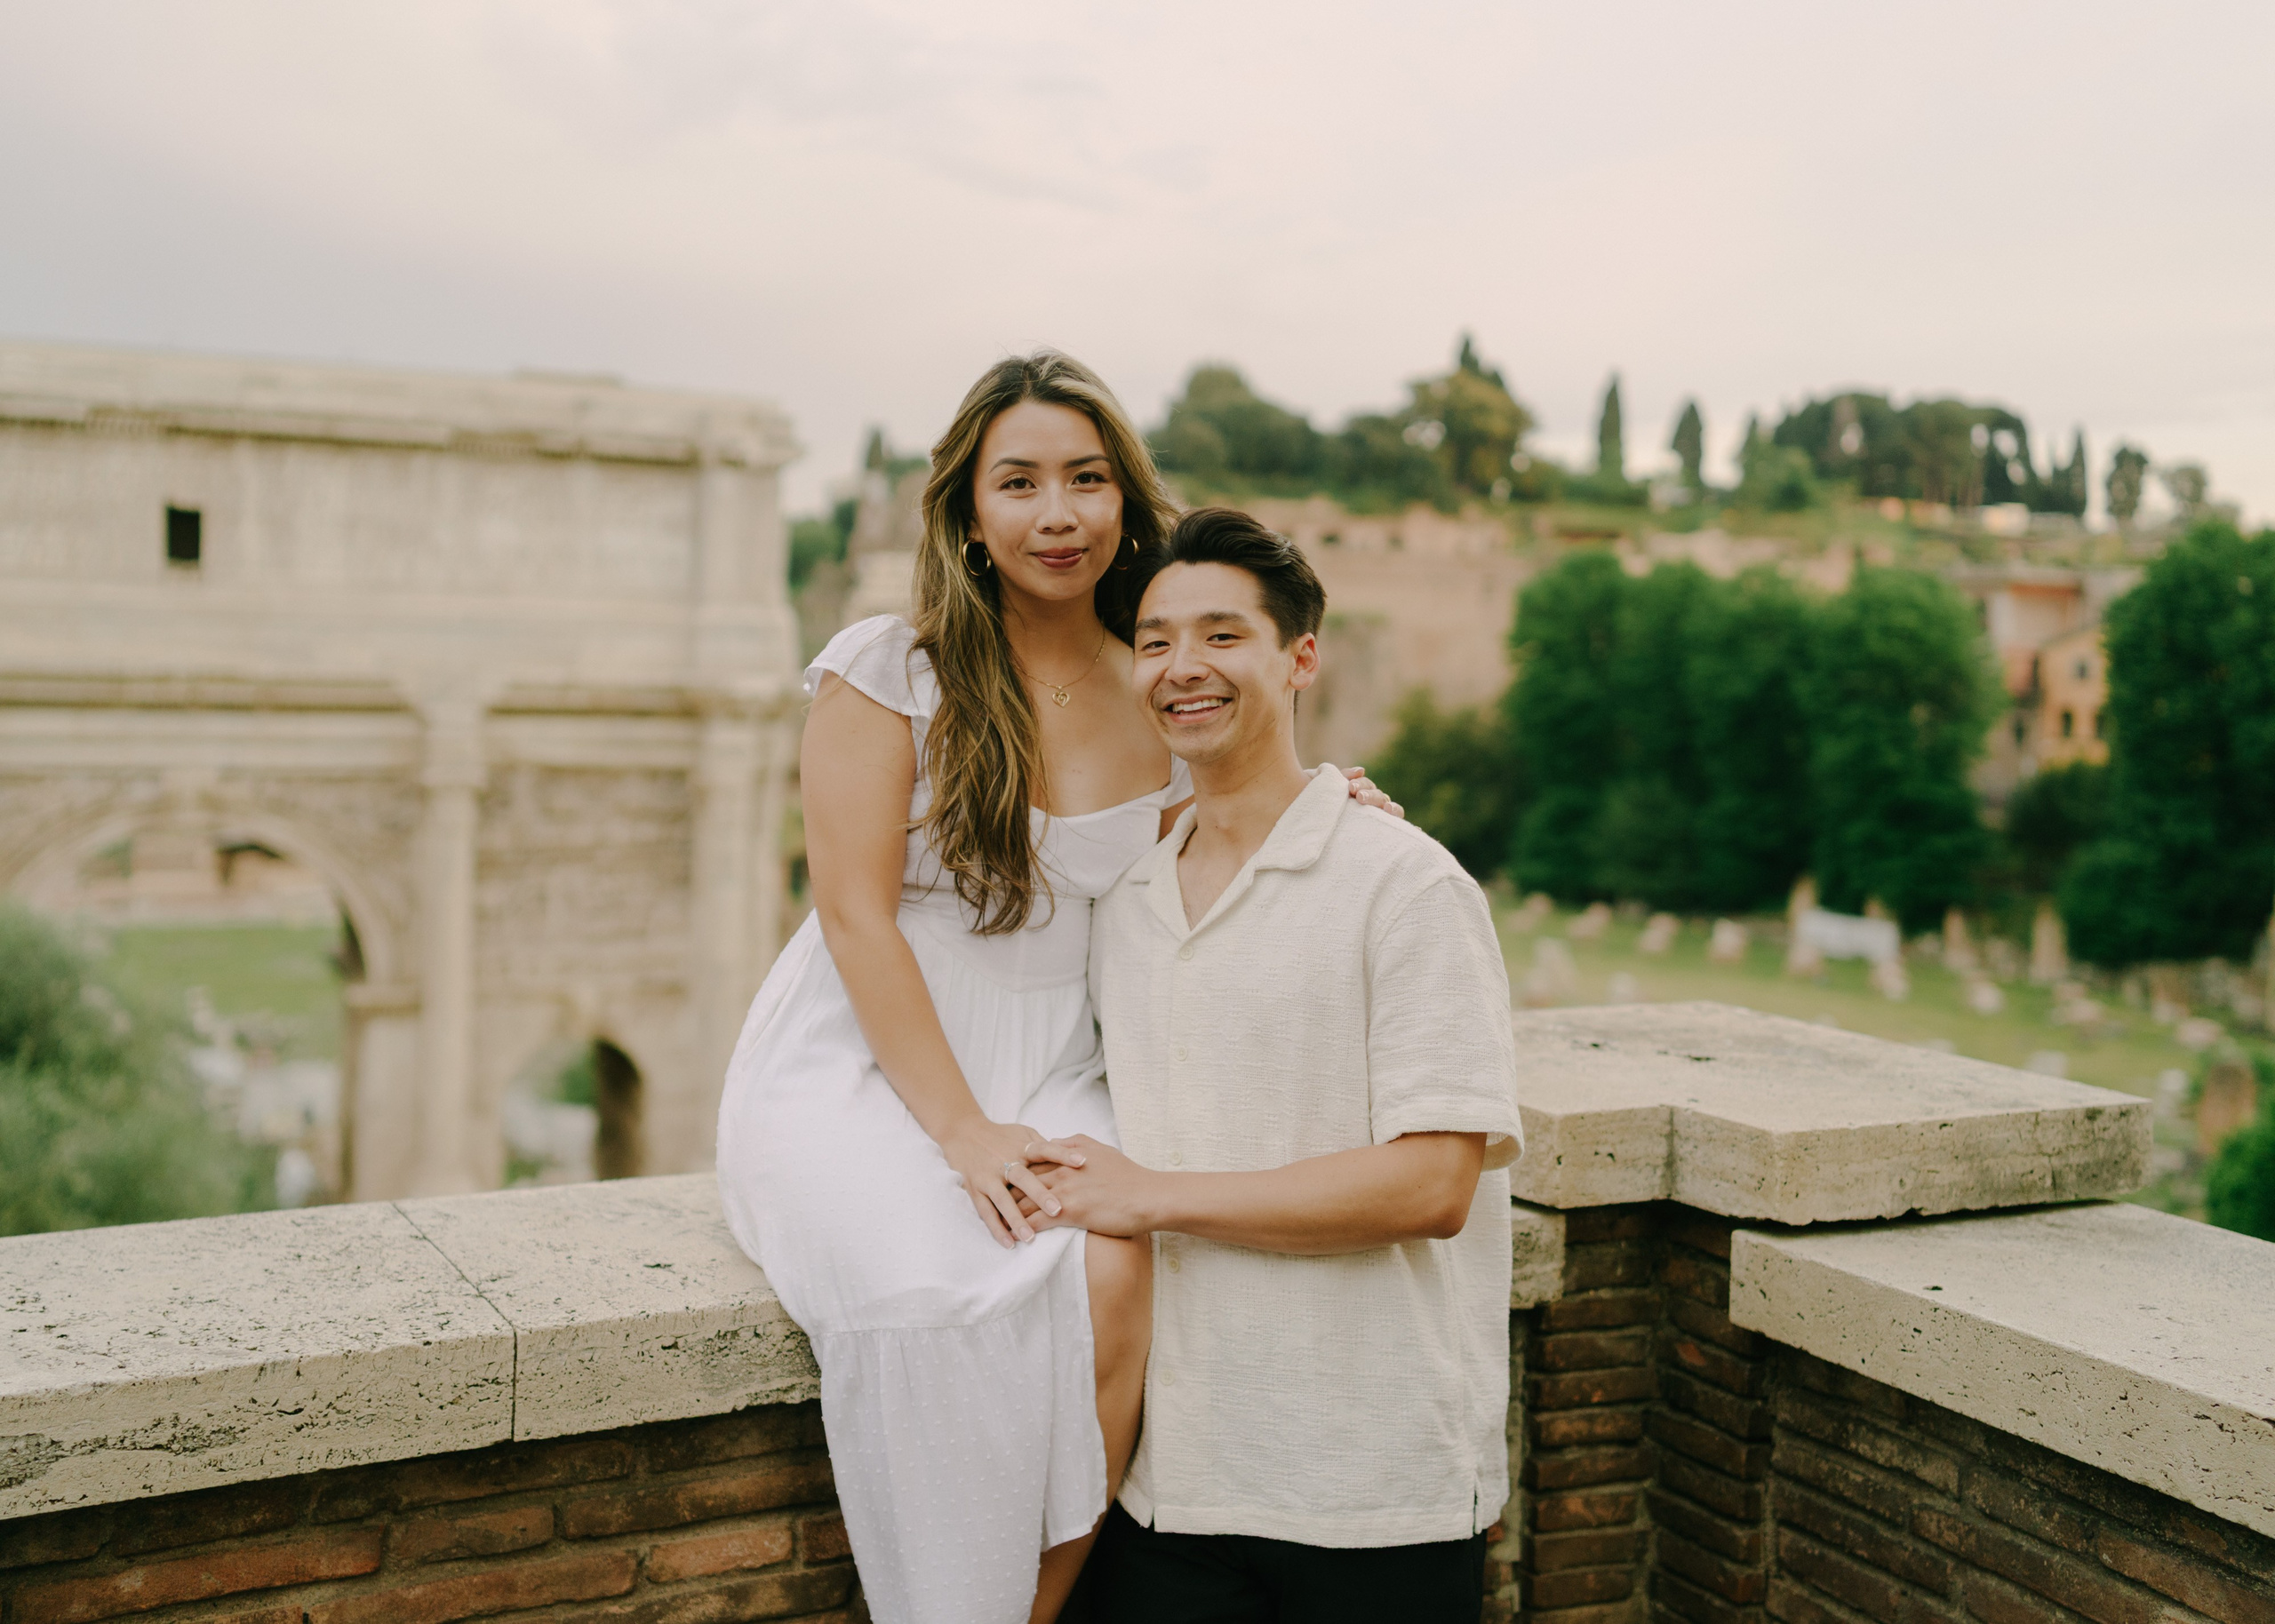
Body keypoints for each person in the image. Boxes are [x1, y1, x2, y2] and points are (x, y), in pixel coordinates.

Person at [715, 356, 1394, 1624]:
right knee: (927, 1285)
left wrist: (1333, 802)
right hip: (869, 1052)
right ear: (969, 512)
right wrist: (962, 1133)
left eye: (1086, 479)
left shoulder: (1157, 677)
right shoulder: (890, 667)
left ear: (1126, 500)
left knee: (1114, 1266)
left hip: (1064, 1056)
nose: (1057, 512)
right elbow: (856, 917)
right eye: (1017, 482)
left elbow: (1247, 793)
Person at [1024, 506, 1523, 1622]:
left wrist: (1149, 1197)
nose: (1180, 668)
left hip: (1373, 1497)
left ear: (1300, 657)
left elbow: (1432, 1184)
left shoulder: (1407, 885)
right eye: (1154, 641)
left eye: (1219, 635)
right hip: (1171, 1498)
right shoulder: (1127, 904)